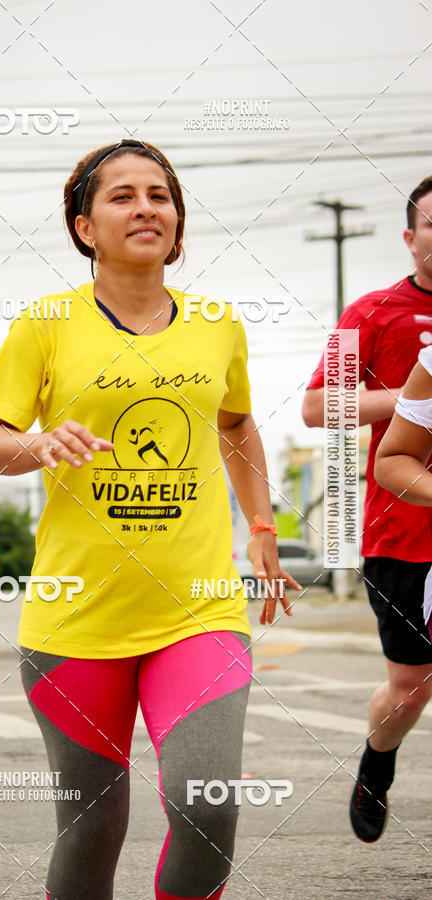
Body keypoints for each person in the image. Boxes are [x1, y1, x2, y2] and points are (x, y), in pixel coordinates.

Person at [0, 139, 298, 900]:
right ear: (84, 227)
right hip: (74, 619)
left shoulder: (218, 323)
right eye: (122, 195)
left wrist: (263, 530)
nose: (146, 207)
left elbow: (237, 426)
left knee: (205, 806)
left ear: (177, 224)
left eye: (160, 194)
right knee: (91, 824)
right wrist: (36, 441)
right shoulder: (45, 324)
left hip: (199, 609)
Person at [302, 174, 432, 842]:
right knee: (410, 688)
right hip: (403, 529)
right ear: (411, 238)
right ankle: (377, 764)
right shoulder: (373, 312)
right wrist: (417, 395)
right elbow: (318, 407)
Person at [375, 346, 432, 633]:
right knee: (407, 679)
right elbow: (393, 460)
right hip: (394, 542)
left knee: (411, 679)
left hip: (414, 546)